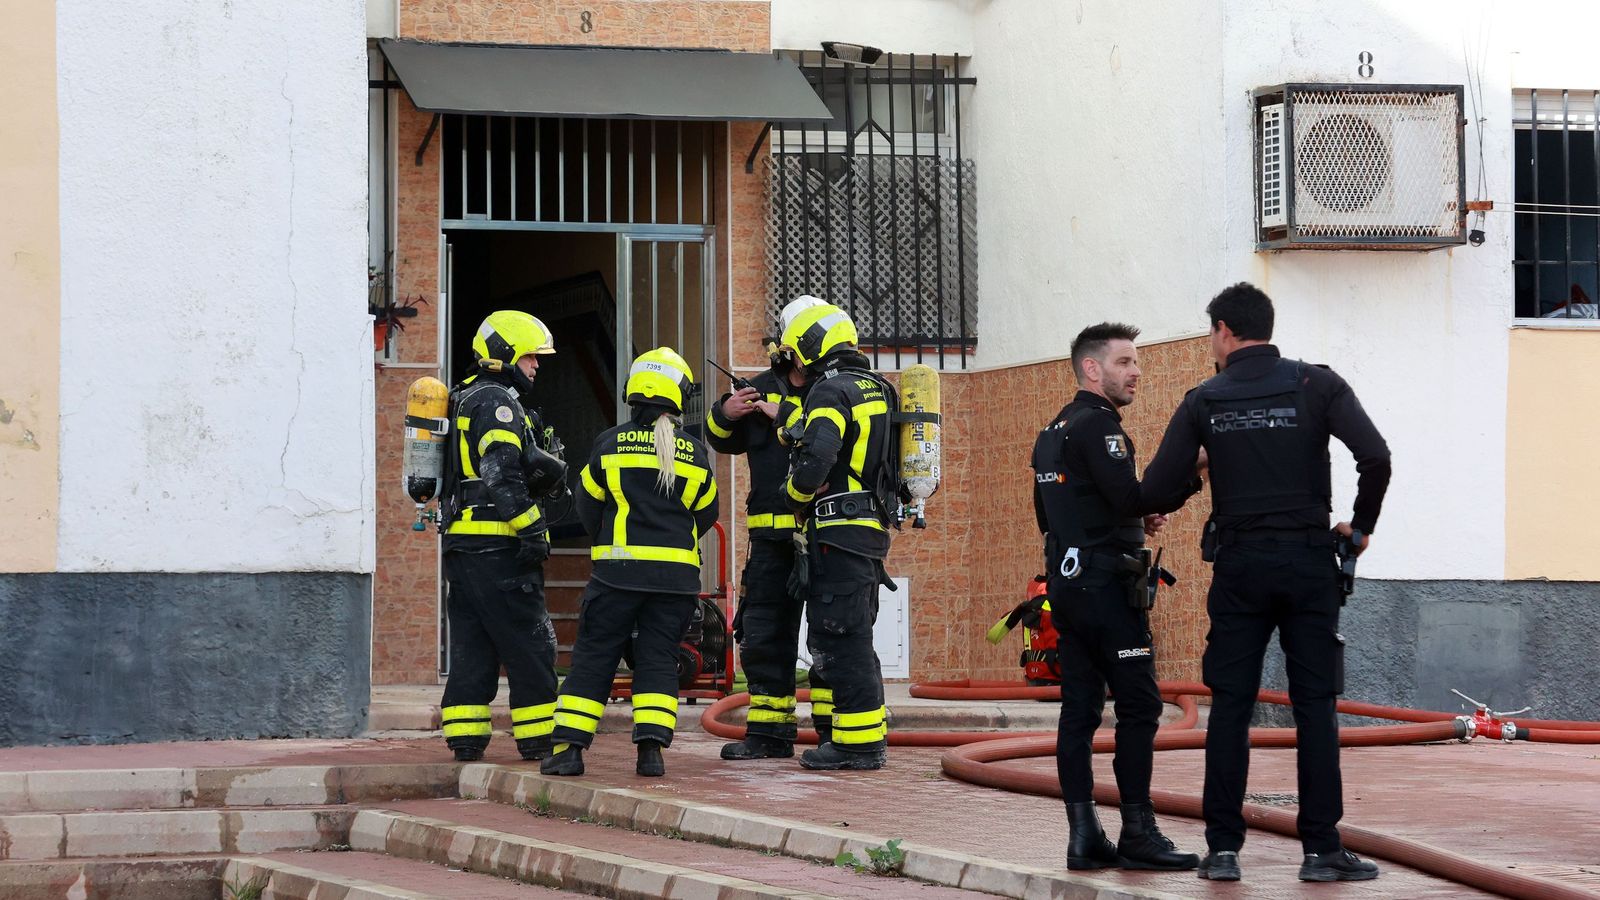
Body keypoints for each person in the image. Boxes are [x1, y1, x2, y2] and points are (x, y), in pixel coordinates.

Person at [1136, 282, 1392, 883]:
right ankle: (1321, 852)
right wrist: (1360, 530)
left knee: (1229, 706)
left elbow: (1156, 489)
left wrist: (1205, 468)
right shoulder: (1316, 384)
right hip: (1309, 567)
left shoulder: (1205, 399)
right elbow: (1376, 457)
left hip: (1240, 569)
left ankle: (1223, 851)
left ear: (1224, 330)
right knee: (1315, 709)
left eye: (1210, 334)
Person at [1031, 323, 1202, 872]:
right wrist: (1194, 469)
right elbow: (1129, 494)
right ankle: (1138, 831)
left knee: (1078, 711)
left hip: (1066, 586)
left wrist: (1131, 515)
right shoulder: (1099, 427)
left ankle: (1083, 836)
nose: (1136, 372)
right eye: (1125, 361)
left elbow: (1058, 513)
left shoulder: (1051, 430)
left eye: (1136, 362)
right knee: (1139, 706)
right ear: (1092, 368)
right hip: (1107, 591)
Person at [543, 347, 719, 778]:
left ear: (633, 392)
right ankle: (651, 753)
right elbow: (707, 514)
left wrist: (609, 541)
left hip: (617, 577)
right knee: (658, 660)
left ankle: (568, 752)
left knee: (594, 658)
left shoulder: (607, 444)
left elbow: (587, 505)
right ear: (679, 395)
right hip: (676, 582)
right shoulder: (694, 453)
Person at [438, 310, 569, 763]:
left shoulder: (464, 396)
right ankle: (538, 741)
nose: (536, 365)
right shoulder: (496, 401)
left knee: (474, 645)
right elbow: (500, 473)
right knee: (531, 643)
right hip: (498, 547)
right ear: (507, 354)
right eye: (531, 356)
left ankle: (466, 738)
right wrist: (533, 529)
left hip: (464, 546)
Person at [708, 296, 825, 760]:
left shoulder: (833, 391)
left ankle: (836, 737)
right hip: (770, 544)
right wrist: (726, 413)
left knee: (829, 638)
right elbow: (722, 440)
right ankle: (769, 736)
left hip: (823, 540)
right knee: (763, 636)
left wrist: (789, 416)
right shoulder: (758, 389)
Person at [781, 304, 895, 771]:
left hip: (837, 529)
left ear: (811, 346)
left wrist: (795, 494)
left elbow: (817, 461)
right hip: (868, 530)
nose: (796, 364)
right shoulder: (880, 389)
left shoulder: (831, 390)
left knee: (840, 635)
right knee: (854, 634)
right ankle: (854, 736)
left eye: (797, 353)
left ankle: (859, 745)